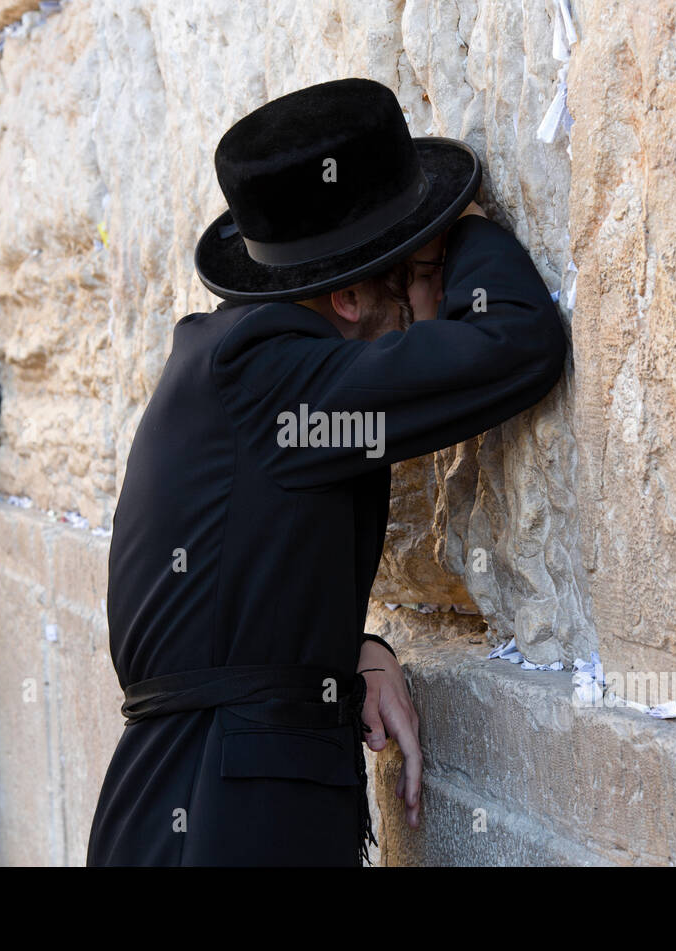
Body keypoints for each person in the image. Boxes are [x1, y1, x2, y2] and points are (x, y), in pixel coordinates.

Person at [86, 78, 569, 865]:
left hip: (202, 800)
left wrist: (354, 651)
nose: (422, 313)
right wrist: (466, 228)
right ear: (347, 296)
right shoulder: (269, 376)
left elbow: (230, 589)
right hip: (219, 820)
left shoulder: (235, 368)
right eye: (410, 278)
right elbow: (515, 343)